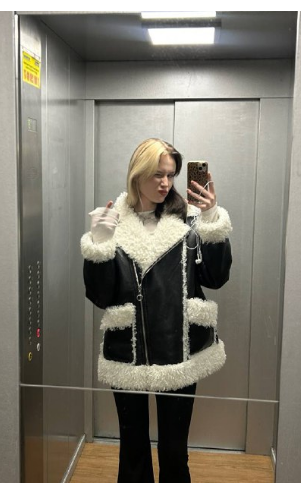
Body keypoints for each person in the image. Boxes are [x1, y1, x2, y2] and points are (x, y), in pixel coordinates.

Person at [80, 138, 232, 483]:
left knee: (174, 450)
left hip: (180, 347)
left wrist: (211, 219)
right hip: (129, 348)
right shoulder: (112, 221)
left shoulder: (191, 220)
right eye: (157, 174)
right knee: (132, 448)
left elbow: (217, 278)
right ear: (137, 174)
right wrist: (100, 244)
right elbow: (100, 296)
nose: (165, 183)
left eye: (171, 175)